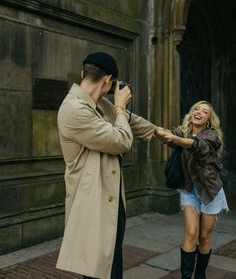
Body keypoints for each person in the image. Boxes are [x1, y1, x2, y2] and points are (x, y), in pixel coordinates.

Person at [56, 52, 156, 279]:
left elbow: (130, 120)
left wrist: (161, 133)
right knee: (97, 271)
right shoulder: (74, 109)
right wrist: (120, 106)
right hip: (91, 202)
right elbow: (121, 140)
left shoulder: (99, 103)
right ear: (108, 81)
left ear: (84, 72)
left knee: (111, 267)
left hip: (111, 201)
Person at [156, 100, 228, 279]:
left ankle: (200, 275)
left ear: (208, 120)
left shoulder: (212, 137)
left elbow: (198, 146)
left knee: (204, 236)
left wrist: (176, 139)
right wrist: (155, 130)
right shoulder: (183, 131)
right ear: (191, 112)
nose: (199, 112)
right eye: (197, 108)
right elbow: (169, 135)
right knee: (190, 232)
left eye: (205, 112)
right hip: (189, 191)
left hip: (210, 193)